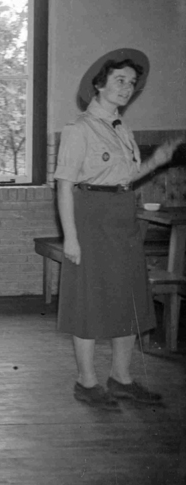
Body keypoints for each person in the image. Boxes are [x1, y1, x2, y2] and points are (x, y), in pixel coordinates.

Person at [55, 50, 183, 409]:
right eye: (119, 80)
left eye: (132, 82)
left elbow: (124, 176)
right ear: (99, 84)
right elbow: (64, 185)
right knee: (90, 300)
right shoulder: (78, 130)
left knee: (129, 297)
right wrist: (71, 238)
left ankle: (121, 378)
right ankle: (86, 382)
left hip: (123, 214)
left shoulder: (122, 128)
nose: (127, 88)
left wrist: (157, 161)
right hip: (91, 216)